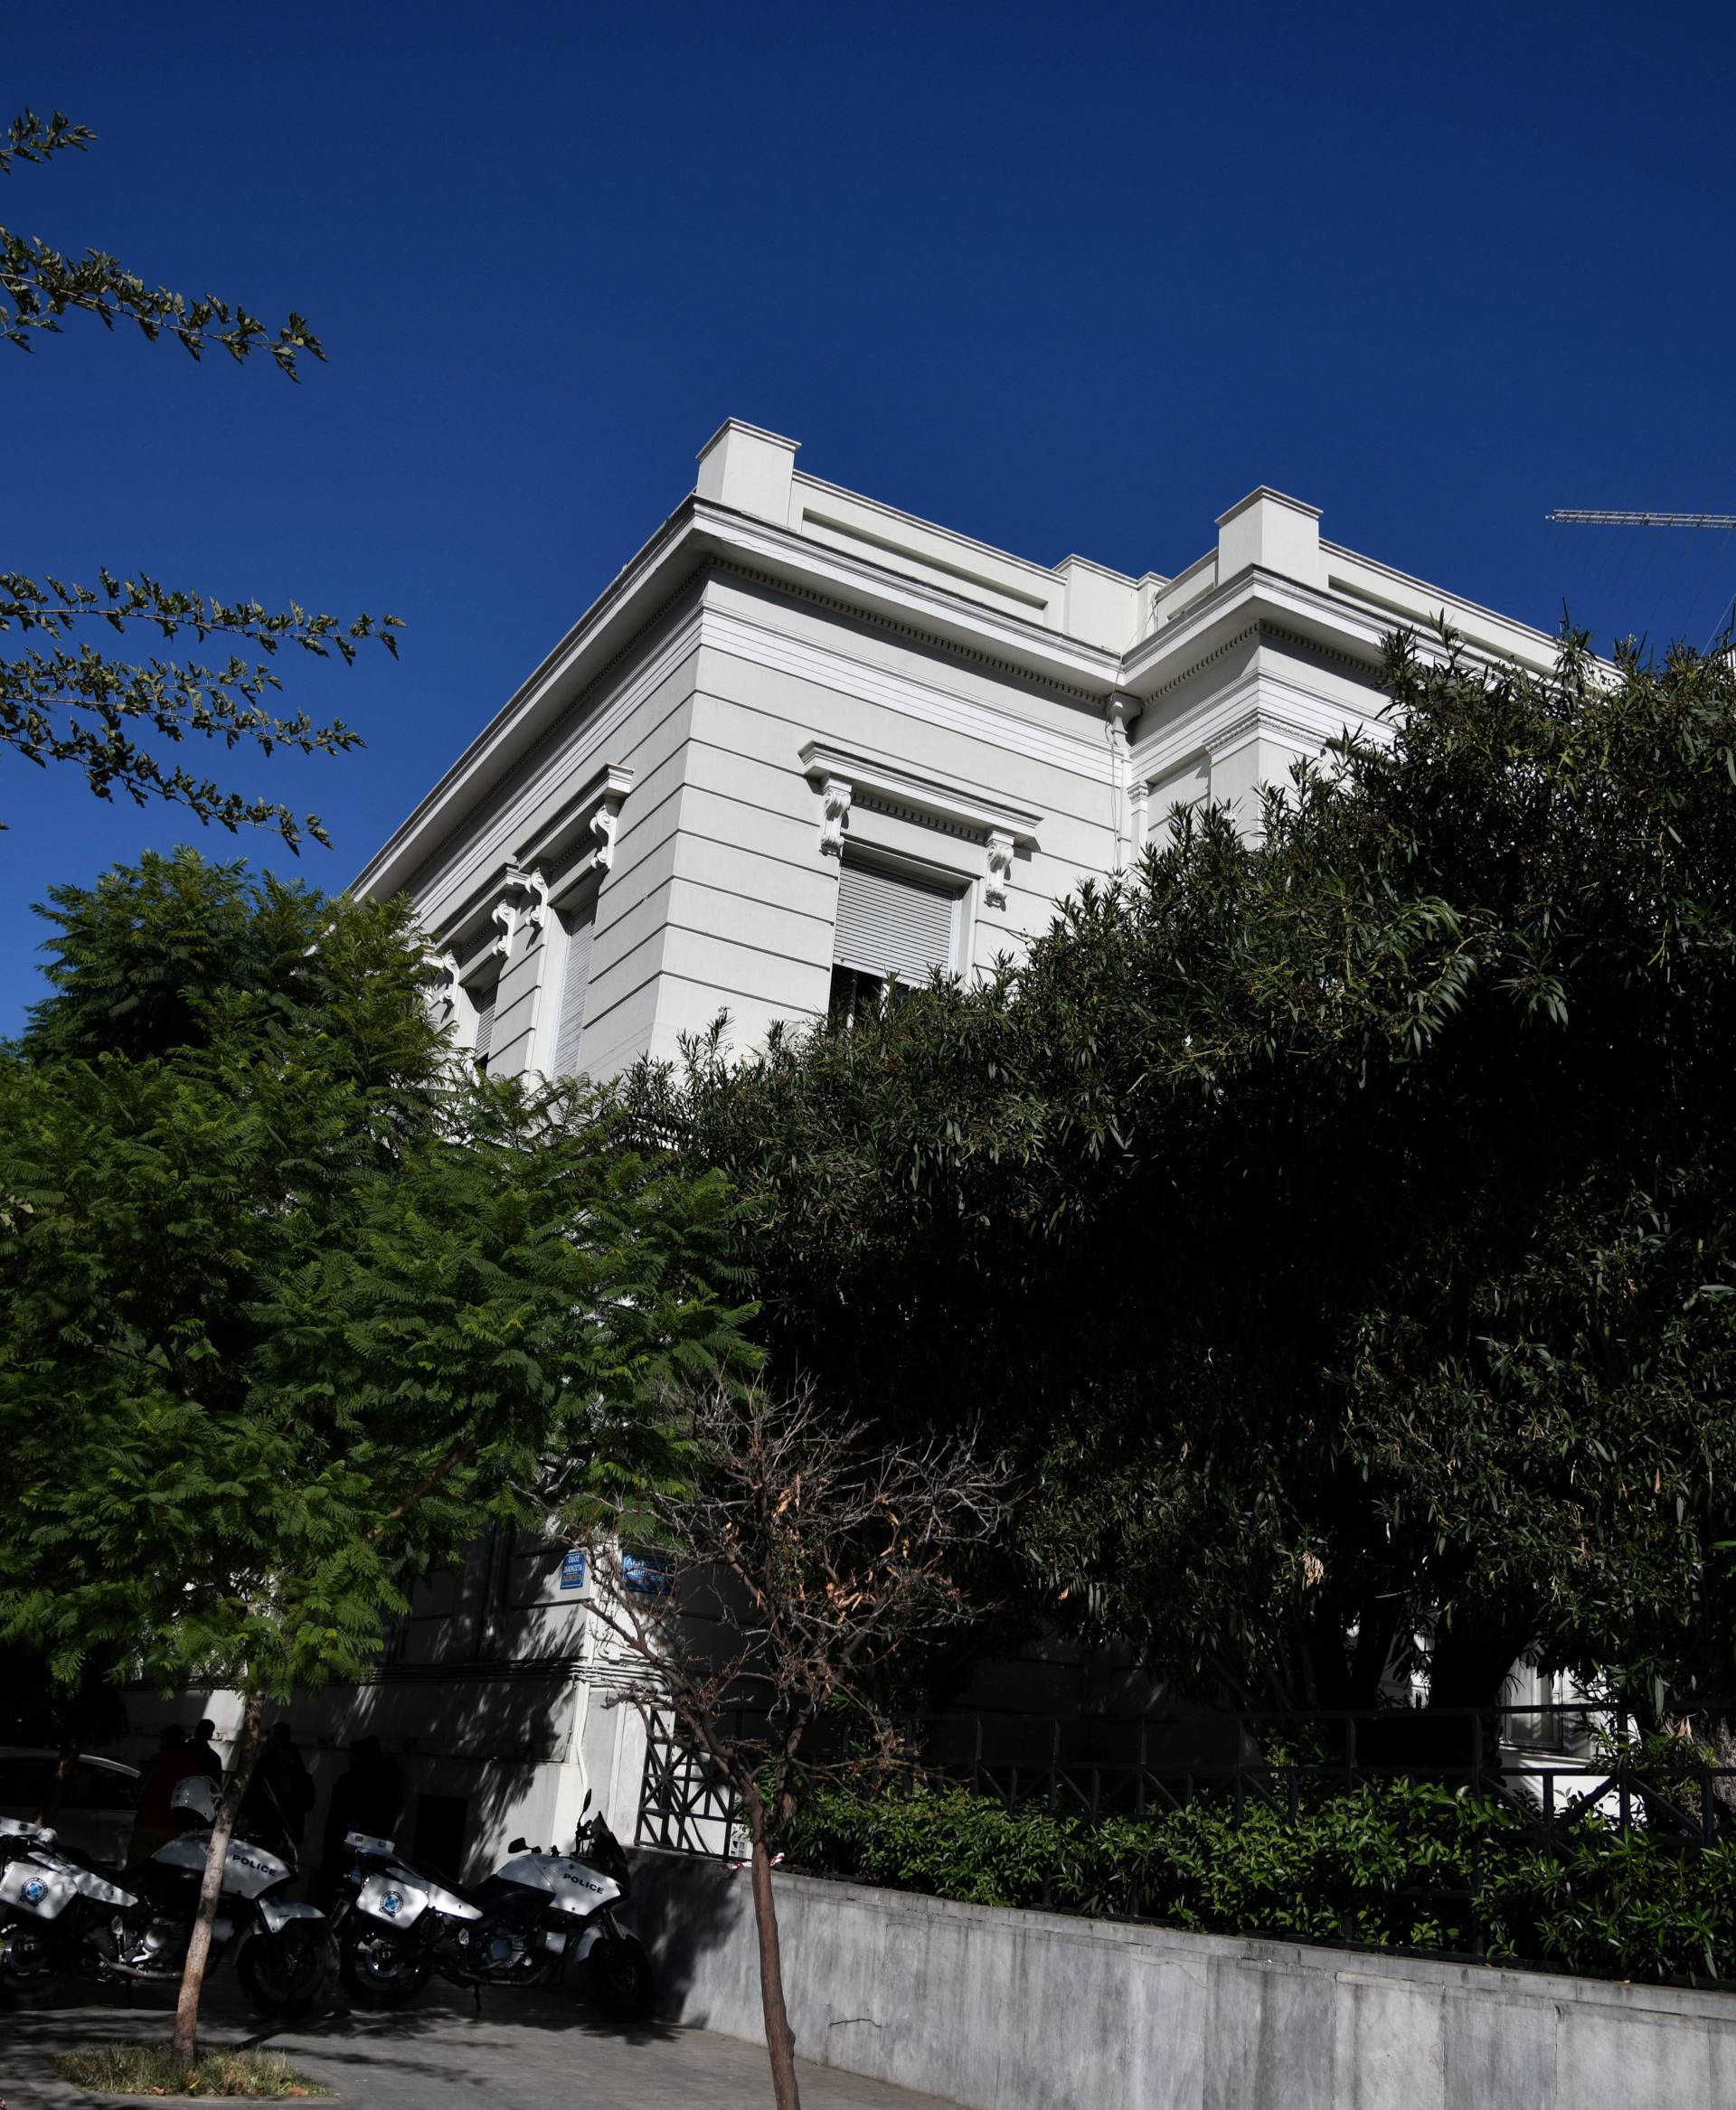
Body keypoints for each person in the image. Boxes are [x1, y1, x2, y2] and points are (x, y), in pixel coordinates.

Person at [318, 1737, 404, 1902]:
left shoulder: (353, 1781)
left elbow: (337, 1818)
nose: (350, 1758)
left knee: (340, 1890)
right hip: (368, 1848)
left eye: (354, 1755)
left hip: (348, 1848)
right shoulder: (385, 1781)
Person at [127, 1725, 198, 1865]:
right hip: (172, 1826)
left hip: (148, 1821)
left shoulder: (158, 1760)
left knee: (137, 1866)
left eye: (162, 1739)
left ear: (167, 1740)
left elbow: (138, 1789)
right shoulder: (191, 1764)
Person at [241, 1722, 315, 1854]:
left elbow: (254, 1789)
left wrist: (245, 1814)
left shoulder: (268, 1760)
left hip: (266, 1825)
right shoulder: (298, 1764)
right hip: (288, 1830)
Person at [189, 1718, 223, 1783]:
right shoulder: (214, 1758)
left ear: (196, 1731)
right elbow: (216, 1785)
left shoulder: (182, 1750)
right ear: (210, 1736)